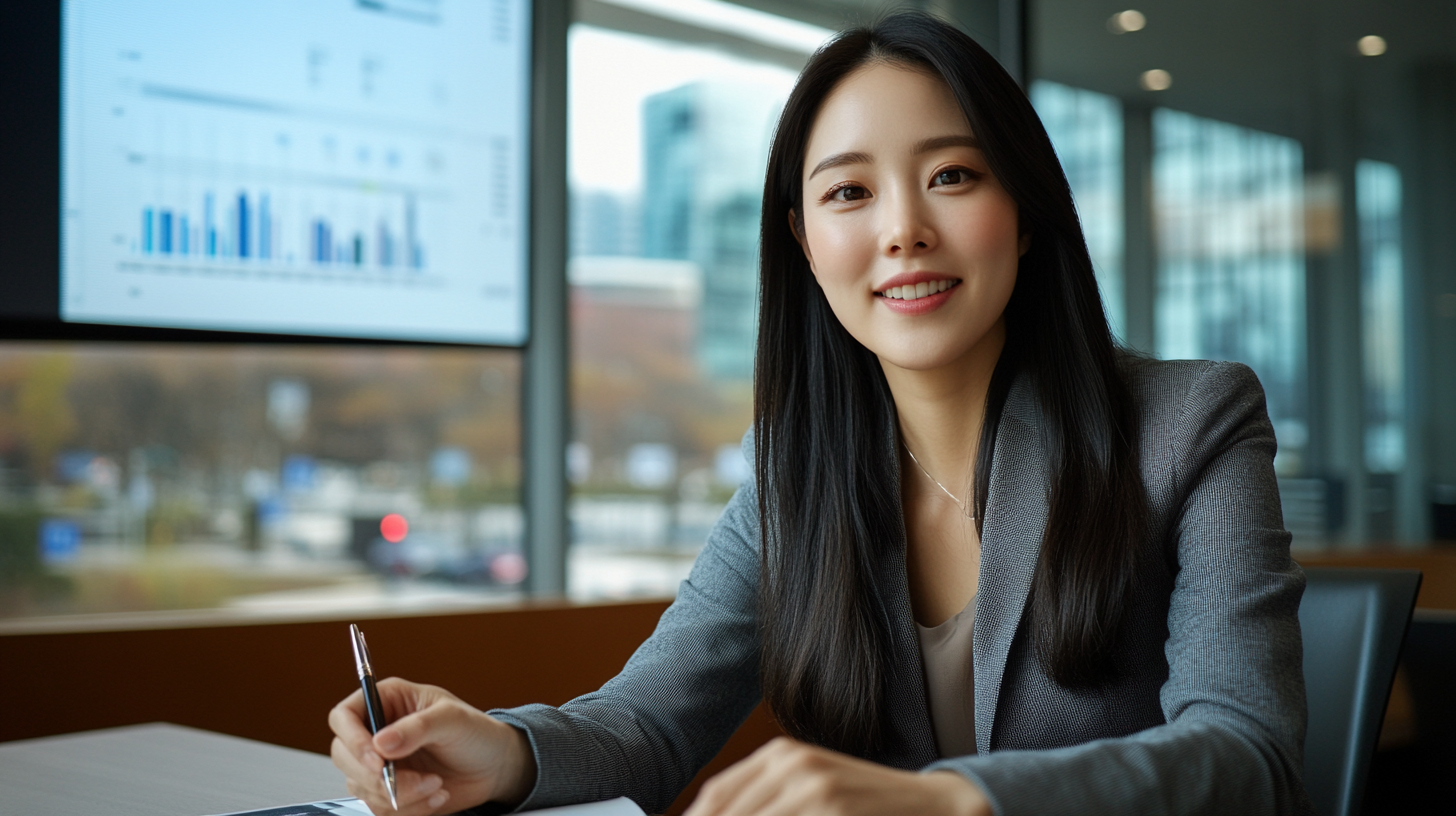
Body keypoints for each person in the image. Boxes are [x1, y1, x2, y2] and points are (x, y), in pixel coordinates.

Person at [329, 11, 1309, 816]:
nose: (902, 230)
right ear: (803, 240)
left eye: (953, 175)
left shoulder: (1192, 422)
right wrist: (506, 751)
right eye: (849, 191)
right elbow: (654, 719)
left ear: (1023, 203)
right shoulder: (791, 470)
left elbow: (1245, 755)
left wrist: (953, 802)